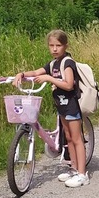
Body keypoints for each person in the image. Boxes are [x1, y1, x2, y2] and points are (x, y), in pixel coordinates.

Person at [16, 30, 89, 188]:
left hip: (71, 105)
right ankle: (74, 168)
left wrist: (49, 78)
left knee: (77, 139)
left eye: (58, 45)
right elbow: (36, 72)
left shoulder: (67, 63)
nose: (55, 49)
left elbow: (69, 85)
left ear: (65, 46)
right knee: (68, 138)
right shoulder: (53, 64)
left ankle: (83, 174)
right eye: (51, 45)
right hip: (61, 106)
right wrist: (21, 75)